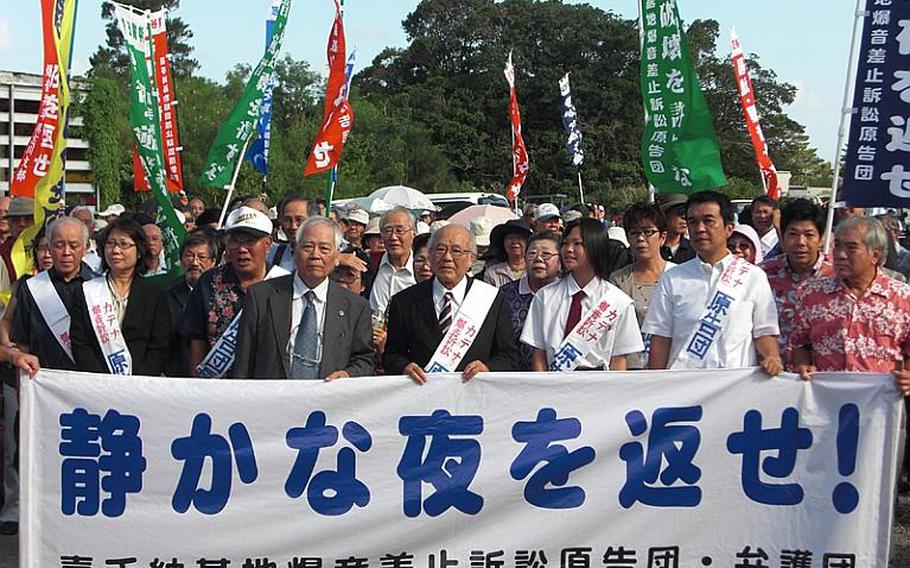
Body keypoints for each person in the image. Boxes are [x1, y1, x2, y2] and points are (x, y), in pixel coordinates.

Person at [643, 191, 781, 374]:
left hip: (734, 389)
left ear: (729, 228)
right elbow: (661, 338)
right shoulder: (672, 278)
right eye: (693, 222)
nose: (700, 228)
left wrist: (772, 356)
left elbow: (764, 333)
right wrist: (655, 384)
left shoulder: (753, 276)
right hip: (683, 389)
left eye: (708, 221)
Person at [234, 217, 374, 380]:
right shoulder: (261, 296)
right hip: (271, 400)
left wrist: (347, 374)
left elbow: (365, 360)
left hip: (327, 400)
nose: (315, 255)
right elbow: (244, 360)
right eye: (307, 247)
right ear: (295, 250)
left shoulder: (356, 306)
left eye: (324, 248)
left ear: (337, 256)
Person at [384, 224, 519, 383]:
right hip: (423, 396)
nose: (447, 257)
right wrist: (404, 367)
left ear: (471, 259)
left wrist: (488, 368)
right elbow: (391, 355)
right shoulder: (404, 301)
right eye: (440, 249)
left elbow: (510, 356)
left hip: (474, 396)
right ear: (431, 255)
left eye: (456, 251)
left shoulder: (492, 299)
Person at [790, 217, 910, 395]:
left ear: (875, 255)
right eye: (837, 245)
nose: (840, 254)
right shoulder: (811, 294)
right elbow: (799, 343)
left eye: (851, 248)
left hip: (881, 405)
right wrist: (802, 365)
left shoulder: (902, 298)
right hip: (825, 403)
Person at [523, 219, 643, 372]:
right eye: (565, 243)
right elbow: (539, 355)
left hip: (599, 386)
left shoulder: (618, 301)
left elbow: (619, 360)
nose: (568, 249)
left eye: (577, 244)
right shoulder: (545, 297)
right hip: (555, 386)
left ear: (595, 247)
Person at [69, 218, 171, 375]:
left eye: (124, 244)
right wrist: (101, 378)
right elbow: (80, 343)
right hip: (97, 384)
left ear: (139, 251)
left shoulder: (155, 293)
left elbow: (159, 345)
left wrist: (138, 380)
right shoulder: (86, 291)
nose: (115, 250)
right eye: (110, 244)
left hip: (140, 385)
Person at [184, 206, 277, 377]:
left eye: (249, 241)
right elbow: (196, 339)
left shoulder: (281, 284)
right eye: (235, 241)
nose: (242, 249)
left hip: (268, 387)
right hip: (219, 389)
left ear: (268, 244)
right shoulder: (208, 282)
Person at [759, 198, 833, 366]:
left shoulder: (837, 276)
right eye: (793, 234)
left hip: (819, 376)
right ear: (782, 237)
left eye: (808, 235)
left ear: (821, 238)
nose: (800, 242)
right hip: (772, 375)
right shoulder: (762, 274)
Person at [609, 203, 676, 369]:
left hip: (672, 369)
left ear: (662, 237)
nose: (640, 239)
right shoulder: (618, 280)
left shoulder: (679, 275)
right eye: (634, 233)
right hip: (632, 371)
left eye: (648, 232)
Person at [501, 231, 561, 370]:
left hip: (559, 379)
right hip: (514, 377)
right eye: (532, 254)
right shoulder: (504, 294)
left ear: (560, 261)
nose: (538, 259)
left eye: (546, 254)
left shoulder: (567, 295)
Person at [164, 233, 217, 377]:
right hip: (176, 375)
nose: (195, 262)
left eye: (202, 257)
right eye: (189, 256)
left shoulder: (223, 294)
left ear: (213, 262)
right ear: (181, 260)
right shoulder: (166, 295)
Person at [369, 207, 417, 314]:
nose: (393, 237)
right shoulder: (371, 263)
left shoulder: (422, 268)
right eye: (387, 231)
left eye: (399, 231)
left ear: (413, 234)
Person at [267, 194, 312, 272]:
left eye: (299, 220)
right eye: (287, 220)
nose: (293, 226)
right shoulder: (272, 255)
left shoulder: (327, 257)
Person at [483, 219, 531, 287]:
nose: (514, 242)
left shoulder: (534, 270)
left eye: (519, 238)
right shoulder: (492, 273)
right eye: (510, 238)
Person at [0, 197, 35, 282]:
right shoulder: (2, 253)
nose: (22, 224)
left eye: (28, 219)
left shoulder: (48, 252)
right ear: (9, 222)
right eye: (16, 219)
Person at [659, 194, 696, 264]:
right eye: (681, 212)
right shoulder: (650, 249)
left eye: (687, 213)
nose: (684, 217)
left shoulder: (695, 251)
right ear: (664, 215)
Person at [71, 206, 101, 273]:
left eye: (87, 222)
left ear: (93, 227)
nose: (83, 226)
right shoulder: (64, 252)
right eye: (79, 222)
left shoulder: (102, 251)